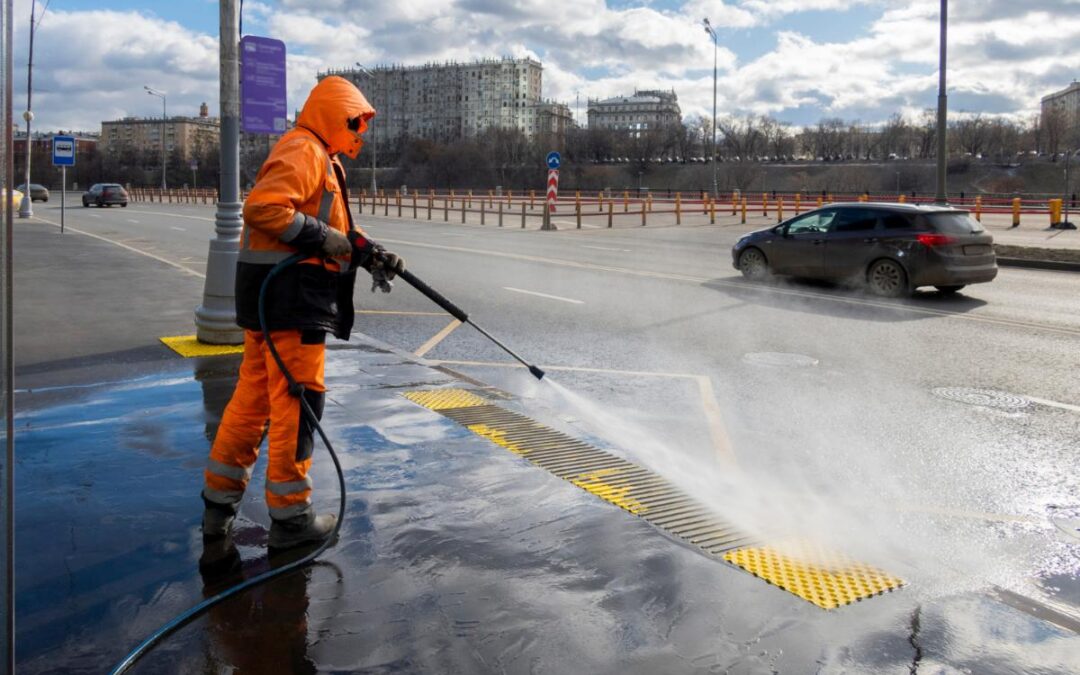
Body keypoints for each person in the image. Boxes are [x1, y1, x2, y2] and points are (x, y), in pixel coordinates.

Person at [201, 76, 404, 549]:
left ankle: (217, 508)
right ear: (334, 114)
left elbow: (330, 228)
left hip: (273, 304)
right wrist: (325, 239)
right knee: (299, 403)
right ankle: (291, 518)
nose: (361, 131)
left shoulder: (322, 157)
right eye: (356, 121)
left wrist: (369, 252)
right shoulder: (305, 150)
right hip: (291, 303)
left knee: (252, 404)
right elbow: (265, 209)